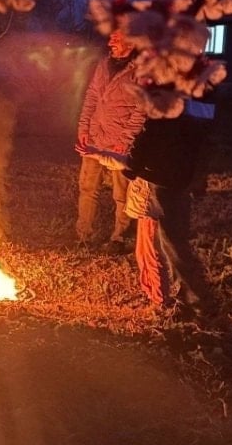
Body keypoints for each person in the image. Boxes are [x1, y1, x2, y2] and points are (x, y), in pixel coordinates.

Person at [81, 98, 216, 316]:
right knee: (171, 244)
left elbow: (152, 137)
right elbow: (200, 140)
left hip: (162, 180)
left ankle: (186, 302)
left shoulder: (166, 101)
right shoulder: (195, 98)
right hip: (176, 178)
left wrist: (130, 164)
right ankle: (184, 300)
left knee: (165, 246)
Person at [75, 26, 147, 253]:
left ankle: (118, 237)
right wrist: (84, 126)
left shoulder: (142, 71)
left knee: (121, 194)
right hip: (95, 138)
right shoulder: (103, 65)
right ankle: (83, 235)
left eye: (116, 38)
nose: (110, 43)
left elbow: (141, 110)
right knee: (87, 188)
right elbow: (92, 96)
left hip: (118, 144)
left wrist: (126, 140)